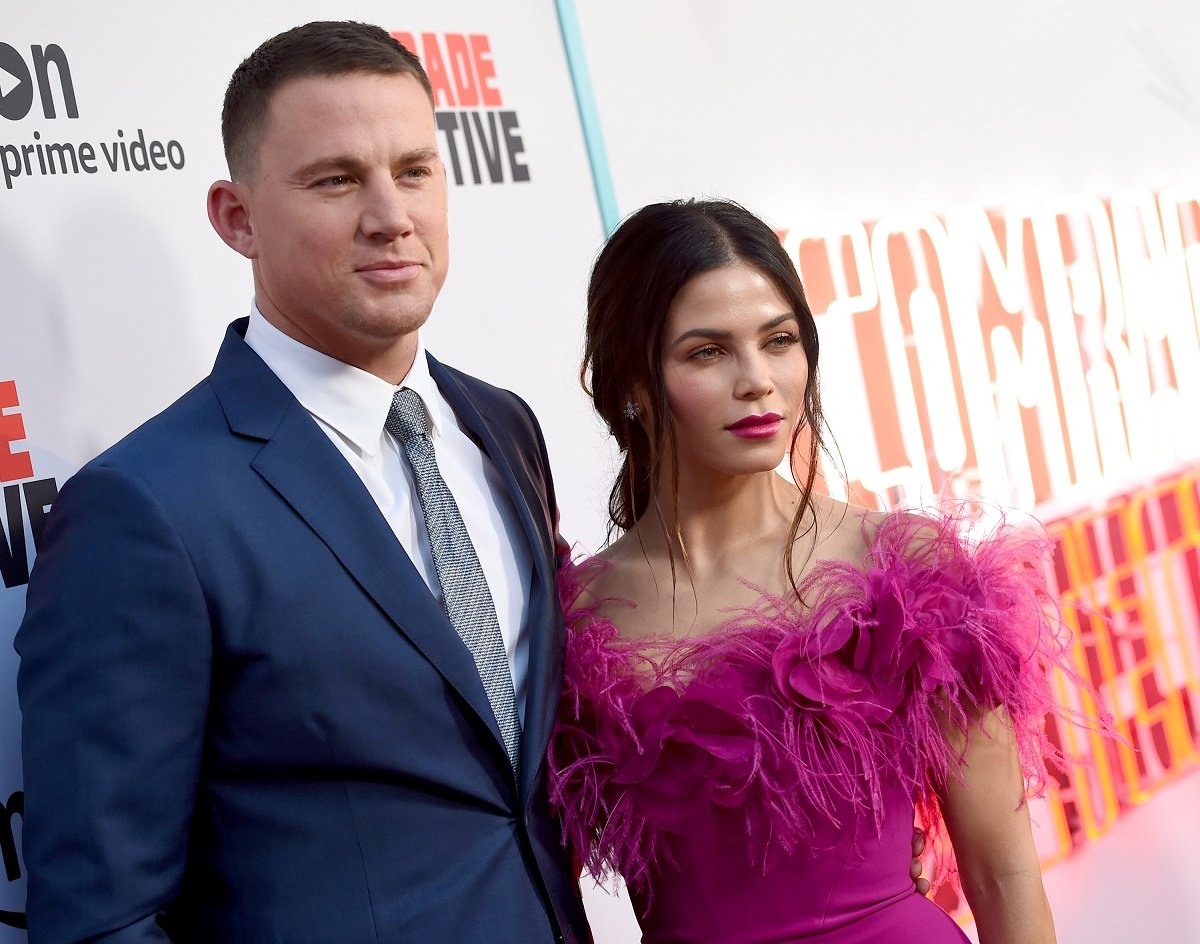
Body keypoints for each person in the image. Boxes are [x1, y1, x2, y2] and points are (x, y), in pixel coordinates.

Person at [14, 22, 589, 943]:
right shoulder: (145, 509)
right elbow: (101, 919)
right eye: (335, 179)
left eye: (413, 170)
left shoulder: (502, 426)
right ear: (236, 217)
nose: (390, 214)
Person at [547, 199, 1091, 943]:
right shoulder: (576, 622)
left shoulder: (904, 568)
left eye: (778, 340)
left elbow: (1004, 873)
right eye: (707, 352)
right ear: (631, 385)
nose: (758, 381)